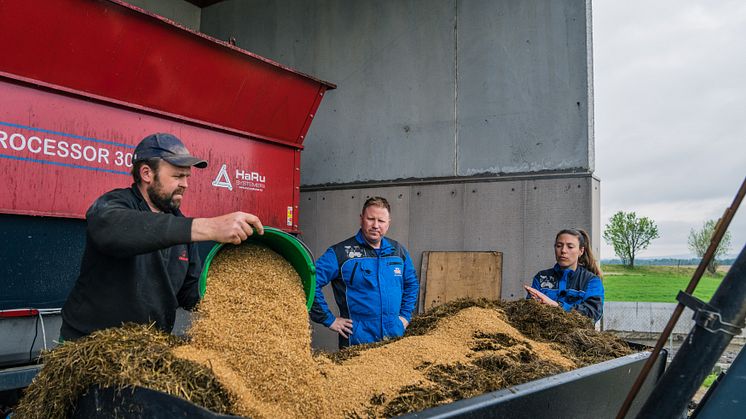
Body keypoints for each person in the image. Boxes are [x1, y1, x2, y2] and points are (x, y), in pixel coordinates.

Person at [60, 133, 264, 341]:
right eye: (177, 176)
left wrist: (238, 301)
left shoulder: (181, 227)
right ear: (147, 173)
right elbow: (117, 229)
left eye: (187, 177)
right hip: (92, 346)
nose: (185, 184)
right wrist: (209, 227)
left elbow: (190, 294)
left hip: (148, 350)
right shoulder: (113, 206)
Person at [310, 197, 419, 348]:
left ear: (388, 223)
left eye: (381, 221)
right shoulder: (341, 253)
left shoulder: (398, 252)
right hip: (357, 341)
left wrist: (405, 317)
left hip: (393, 338)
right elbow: (310, 282)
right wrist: (329, 320)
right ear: (361, 219)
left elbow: (411, 285)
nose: (375, 225)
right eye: (370, 219)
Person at [524, 228, 604, 322]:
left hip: (577, 336)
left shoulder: (592, 281)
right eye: (559, 246)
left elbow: (592, 315)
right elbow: (528, 312)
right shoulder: (541, 277)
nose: (563, 251)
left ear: (581, 251)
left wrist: (557, 306)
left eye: (570, 247)